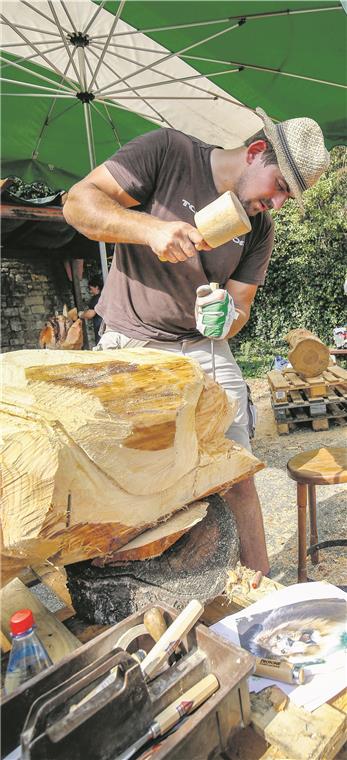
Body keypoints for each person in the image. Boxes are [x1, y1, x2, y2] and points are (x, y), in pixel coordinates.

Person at [63, 107, 330, 575]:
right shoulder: (168, 152)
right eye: (280, 187)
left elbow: (241, 307)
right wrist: (150, 229)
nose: (279, 204)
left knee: (236, 472)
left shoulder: (259, 227)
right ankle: (142, 594)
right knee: (137, 481)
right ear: (254, 153)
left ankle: (258, 588)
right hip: (135, 340)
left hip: (204, 349)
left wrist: (227, 318)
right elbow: (77, 203)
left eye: (290, 196)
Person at [79, 275, 103, 342]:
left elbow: (90, 314)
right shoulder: (105, 295)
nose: (90, 291)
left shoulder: (96, 299)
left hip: (101, 329)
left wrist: (81, 314)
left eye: (91, 289)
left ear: (97, 287)